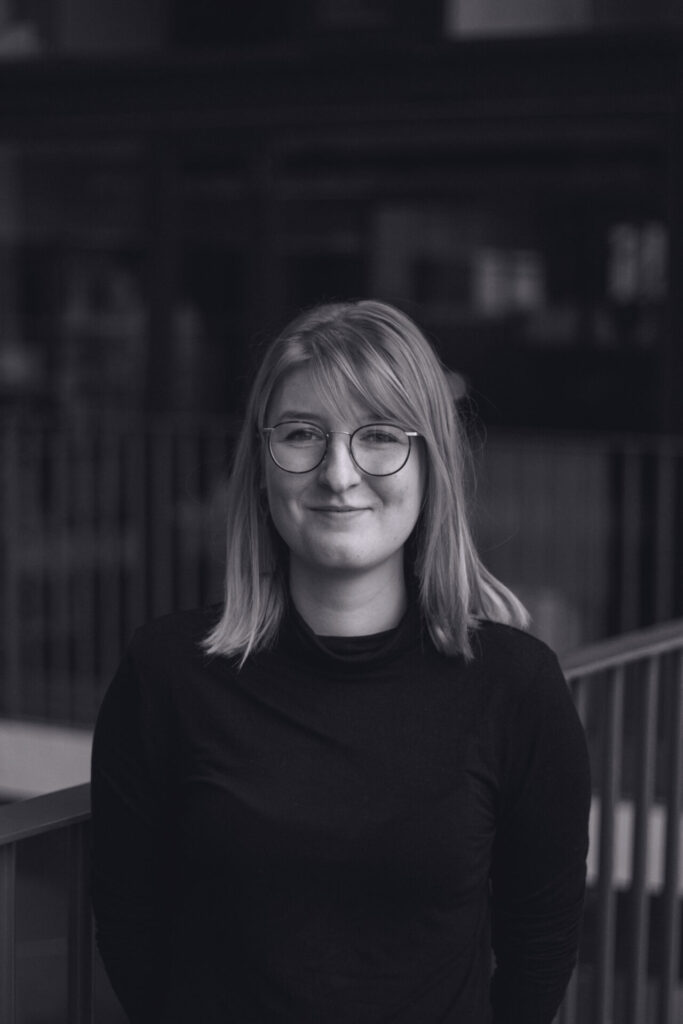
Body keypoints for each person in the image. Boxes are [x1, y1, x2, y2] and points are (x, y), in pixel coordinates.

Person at [91, 299, 591, 1024]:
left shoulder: (516, 687)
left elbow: (539, 946)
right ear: (262, 468)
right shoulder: (166, 673)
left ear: (430, 466)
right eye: (301, 435)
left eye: (379, 436)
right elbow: (130, 922)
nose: (339, 473)